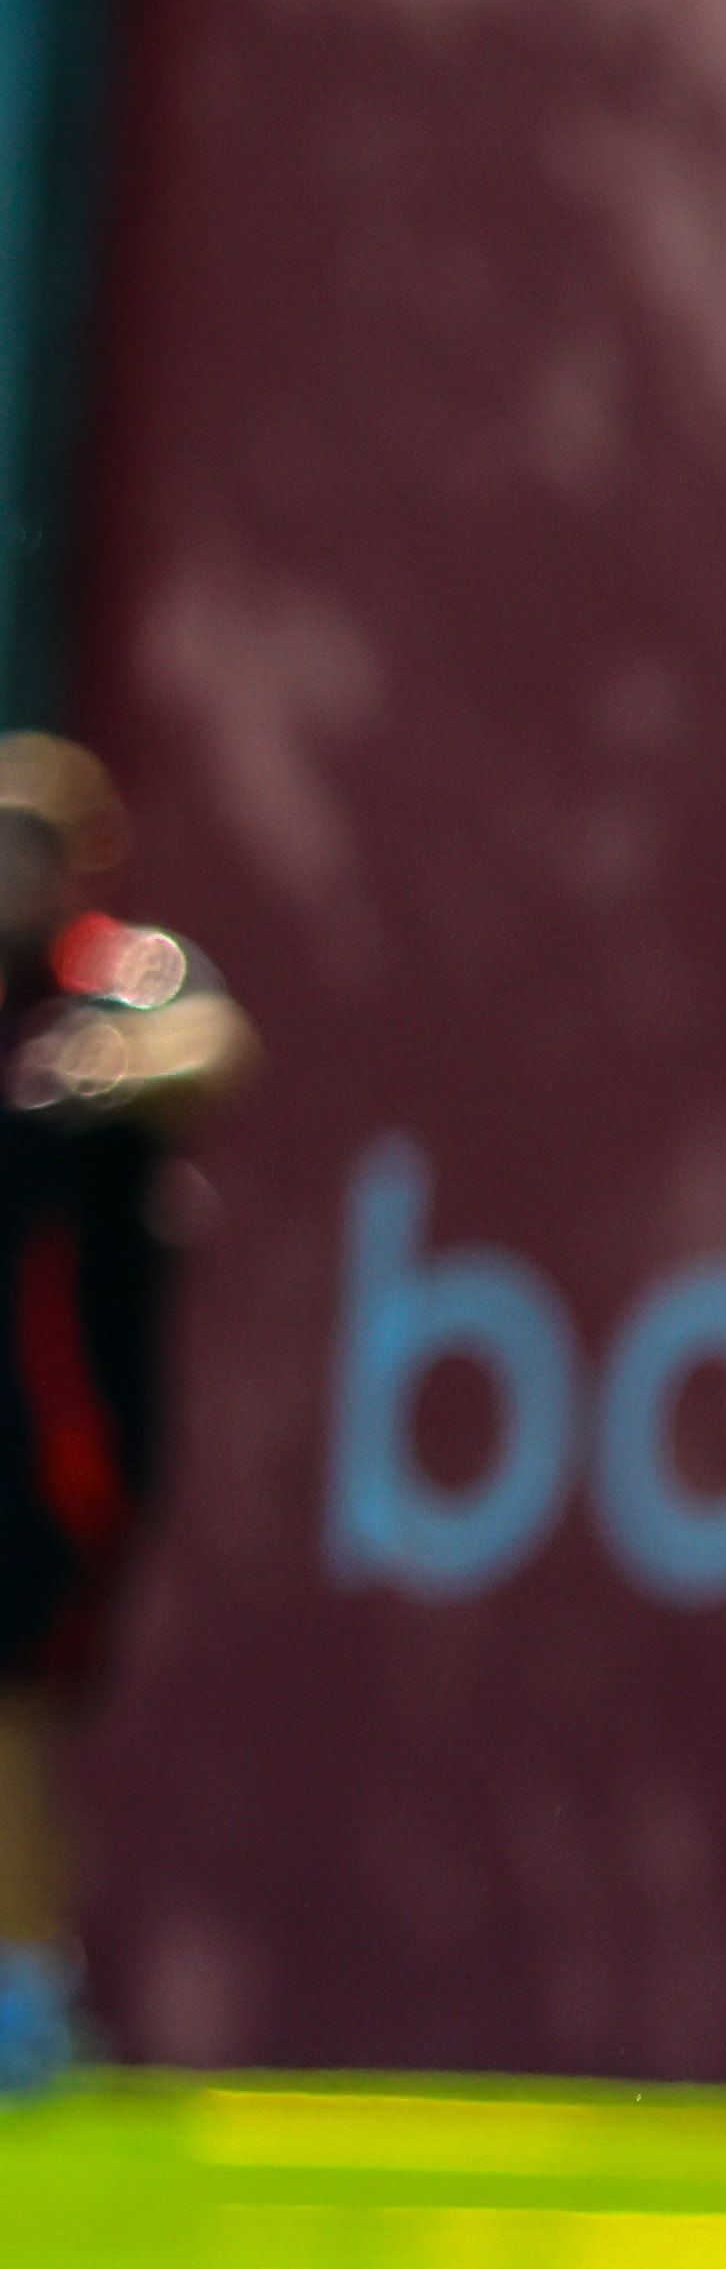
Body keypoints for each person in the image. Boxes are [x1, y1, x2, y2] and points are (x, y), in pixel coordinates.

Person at [0, 736, 249, 2099]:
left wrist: (103, 1071)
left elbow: (209, 1046)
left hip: (56, 1431)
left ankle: (27, 1999)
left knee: (13, 1706)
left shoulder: (121, 980)